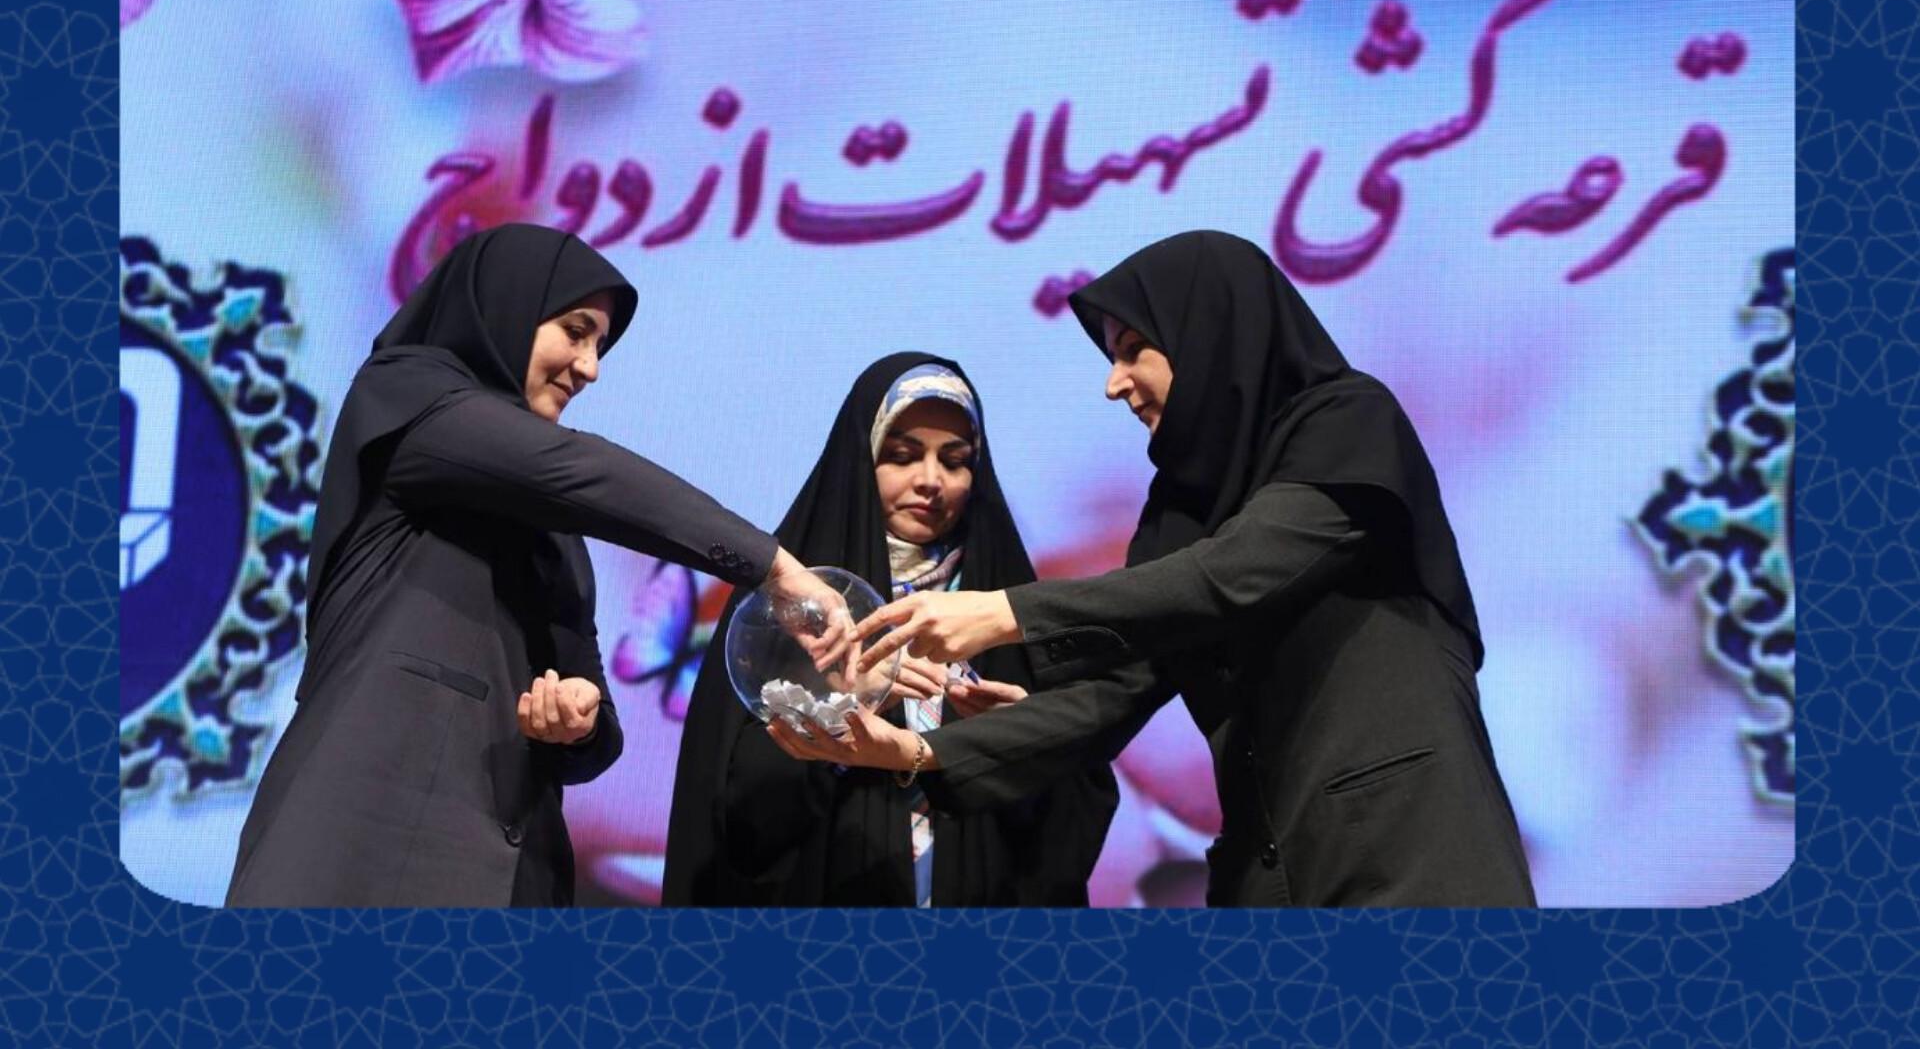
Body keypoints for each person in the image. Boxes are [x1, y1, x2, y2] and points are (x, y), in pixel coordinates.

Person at [783, 231, 1537, 908]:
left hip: (1410, 863)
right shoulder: (1178, 515)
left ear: (1209, 334)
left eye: (1133, 348)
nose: (1114, 383)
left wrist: (1005, 612)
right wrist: (914, 752)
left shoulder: (1348, 421)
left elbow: (1237, 573)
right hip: (1270, 884)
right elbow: (1112, 693)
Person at [225, 224, 825, 907]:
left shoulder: (554, 532)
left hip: (509, 881)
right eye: (575, 331)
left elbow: (590, 712)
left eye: (599, 346)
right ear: (508, 304)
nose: (590, 367)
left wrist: (579, 722)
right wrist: (770, 564)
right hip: (359, 858)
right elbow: (580, 472)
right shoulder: (407, 399)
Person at [663, 353, 1118, 906]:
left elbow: (1075, 813)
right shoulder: (784, 607)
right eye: (901, 456)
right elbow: (732, 808)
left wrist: (1017, 741)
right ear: (860, 461)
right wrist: (838, 705)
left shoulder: (1005, 604)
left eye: (955, 461)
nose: (930, 480)